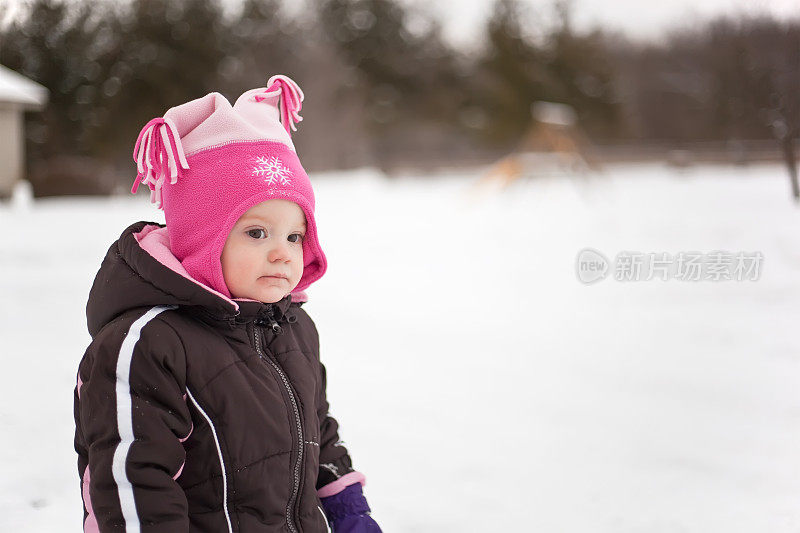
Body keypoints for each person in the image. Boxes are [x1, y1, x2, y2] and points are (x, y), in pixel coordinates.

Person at [73, 75, 382, 533]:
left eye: (294, 236)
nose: (283, 252)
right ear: (202, 238)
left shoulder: (294, 328)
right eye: (257, 233)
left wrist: (349, 514)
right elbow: (132, 486)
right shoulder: (148, 344)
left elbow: (319, 433)